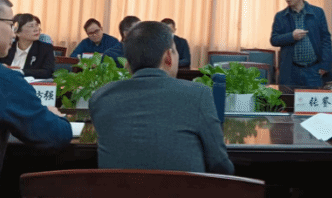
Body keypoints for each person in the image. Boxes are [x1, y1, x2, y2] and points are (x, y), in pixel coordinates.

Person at [89, 21, 234, 174]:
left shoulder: (100, 98)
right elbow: (221, 165)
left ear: (127, 64)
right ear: (168, 57)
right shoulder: (198, 95)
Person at [0, 0, 72, 180]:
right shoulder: (2, 80)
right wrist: (55, 116)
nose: (13, 33)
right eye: (11, 25)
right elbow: (55, 136)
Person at [270, 0, 332, 87]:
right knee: (288, 98)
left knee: (314, 97)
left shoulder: (317, 13)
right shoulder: (280, 16)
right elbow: (274, 40)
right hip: (290, 71)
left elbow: (326, 40)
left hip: (313, 70)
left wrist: (325, 66)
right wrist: (291, 36)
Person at [0, 13, 55, 79]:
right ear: (17, 32)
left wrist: (21, 72)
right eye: (31, 26)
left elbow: (48, 72)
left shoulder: (45, 48)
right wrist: (1, 66)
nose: (37, 29)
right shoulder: (6, 47)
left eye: (37, 25)